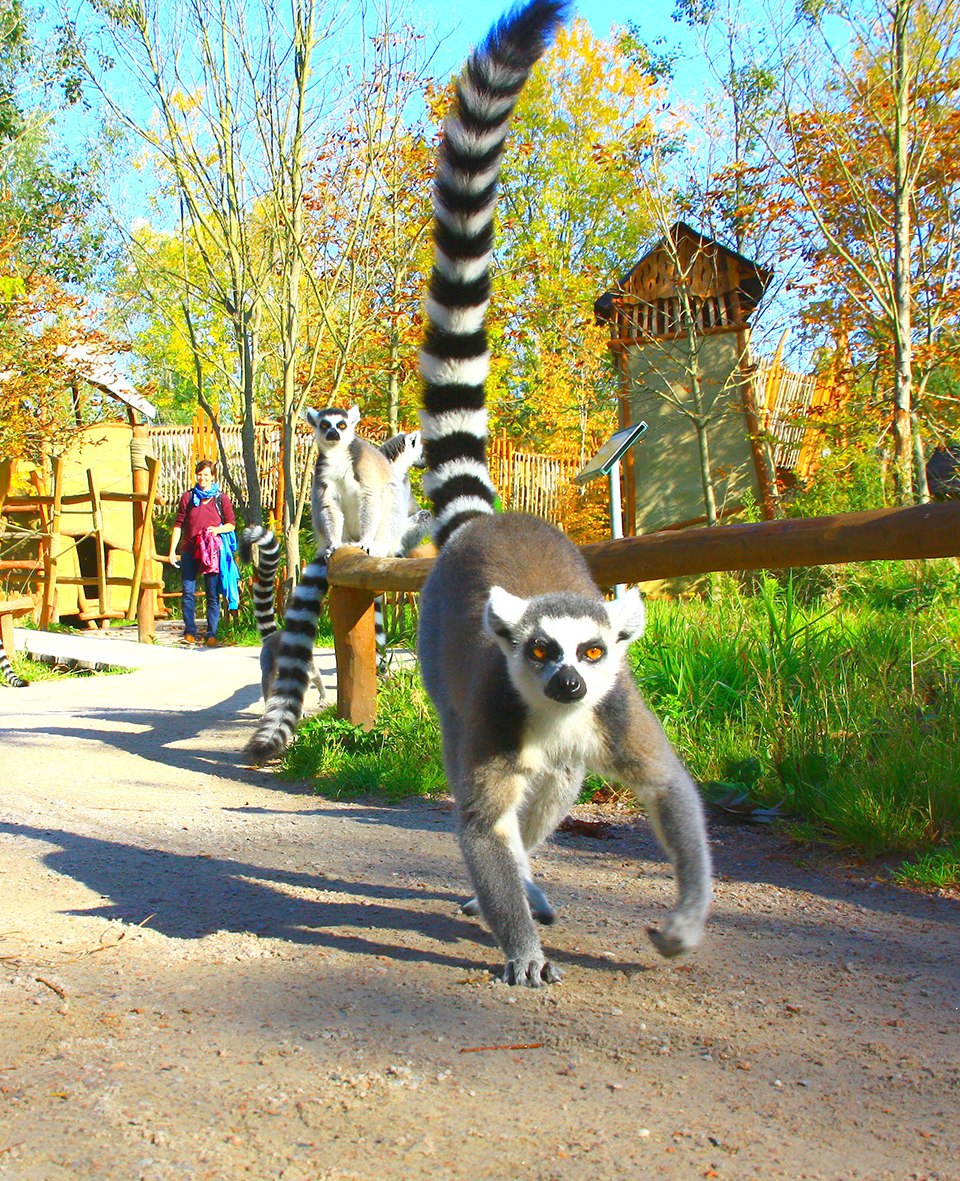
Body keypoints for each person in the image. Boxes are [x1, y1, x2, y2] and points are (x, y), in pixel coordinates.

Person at [168, 459, 236, 647]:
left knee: (212, 594)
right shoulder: (188, 497)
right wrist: (172, 551)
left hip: (211, 552)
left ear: (213, 476)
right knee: (187, 592)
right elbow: (178, 525)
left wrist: (217, 530)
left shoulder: (221, 499)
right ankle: (189, 632)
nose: (202, 478)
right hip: (189, 550)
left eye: (206, 474)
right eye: (199, 474)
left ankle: (211, 634)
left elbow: (231, 524)